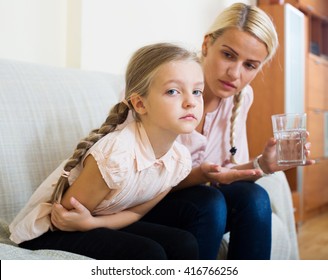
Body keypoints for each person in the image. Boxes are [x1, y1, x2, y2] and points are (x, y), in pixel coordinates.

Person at [49, 3, 315, 260]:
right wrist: (199, 175)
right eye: (228, 55)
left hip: (186, 199)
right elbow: (135, 181)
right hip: (142, 202)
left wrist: (262, 165)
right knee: (209, 200)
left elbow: (225, 171)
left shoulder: (241, 97)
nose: (235, 74)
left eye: (250, 65)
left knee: (255, 196)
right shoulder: (160, 90)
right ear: (207, 44)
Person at [9, 42, 205, 260]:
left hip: (95, 220)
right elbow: (64, 216)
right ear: (140, 104)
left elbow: (136, 212)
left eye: (197, 91)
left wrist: (93, 223)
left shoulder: (178, 160)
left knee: (184, 243)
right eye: (173, 91)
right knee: (149, 253)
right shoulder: (117, 155)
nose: (191, 102)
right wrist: (87, 223)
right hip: (51, 229)